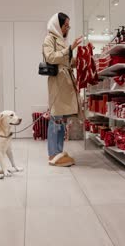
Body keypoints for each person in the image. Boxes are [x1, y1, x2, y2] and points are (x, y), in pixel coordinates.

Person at [42, 12, 83, 167]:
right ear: (58, 25)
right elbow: (50, 57)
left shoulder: (61, 41)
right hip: (58, 84)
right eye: (66, 25)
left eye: (68, 25)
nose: (68, 28)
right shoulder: (50, 39)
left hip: (65, 83)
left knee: (61, 121)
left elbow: (66, 61)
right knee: (55, 119)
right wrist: (70, 48)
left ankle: (58, 151)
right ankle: (53, 154)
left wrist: (79, 60)